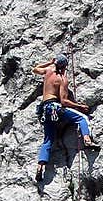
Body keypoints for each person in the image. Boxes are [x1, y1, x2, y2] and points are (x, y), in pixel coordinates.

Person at [33, 54, 99, 182]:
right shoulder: (62, 79)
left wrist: (49, 62)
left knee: (48, 141)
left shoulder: (47, 71)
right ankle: (87, 140)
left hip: (45, 111)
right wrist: (79, 106)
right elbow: (64, 101)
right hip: (55, 107)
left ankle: (40, 166)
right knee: (82, 118)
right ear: (64, 67)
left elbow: (35, 69)